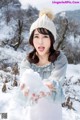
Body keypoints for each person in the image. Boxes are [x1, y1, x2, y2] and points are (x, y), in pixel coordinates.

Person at [19, 9, 68, 120]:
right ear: (32, 39)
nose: (40, 42)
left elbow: (56, 80)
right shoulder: (27, 61)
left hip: (52, 111)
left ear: (52, 39)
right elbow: (24, 79)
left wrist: (46, 86)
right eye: (36, 36)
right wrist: (25, 87)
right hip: (32, 111)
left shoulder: (60, 59)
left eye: (45, 37)